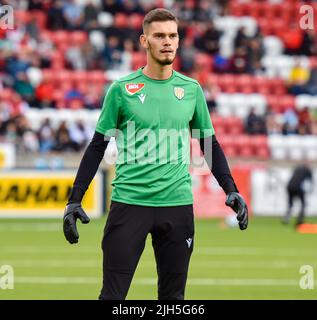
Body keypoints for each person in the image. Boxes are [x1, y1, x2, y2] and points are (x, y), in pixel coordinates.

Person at [63, 8, 248, 300]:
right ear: (144, 41)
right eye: (159, 35)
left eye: (172, 35)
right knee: (112, 297)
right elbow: (97, 146)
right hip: (129, 203)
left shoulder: (191, 90)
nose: (167, 41)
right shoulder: (122, 90)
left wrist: (231, 189)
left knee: (173, 300)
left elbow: (209, 145)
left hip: (177, 205)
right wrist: (74, 199)